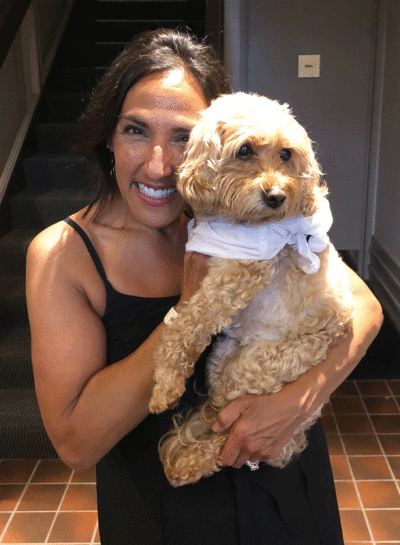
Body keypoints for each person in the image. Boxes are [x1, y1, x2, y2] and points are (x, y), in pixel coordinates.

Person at [26, 29, 382, 545]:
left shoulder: (242, 214)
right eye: (135, 131)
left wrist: (302, 399)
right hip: (167, 512)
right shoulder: (64, 255)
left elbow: (365, 309)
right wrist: (188, 311)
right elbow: (77, 444)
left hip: (287, 490)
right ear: (108, 135)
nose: (158, 165)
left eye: (182, 138)